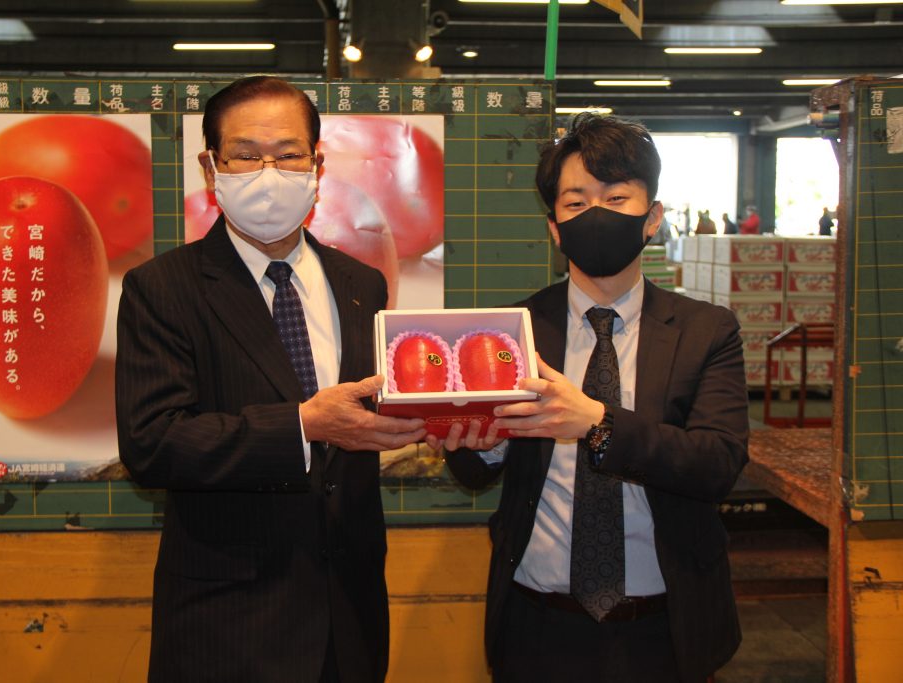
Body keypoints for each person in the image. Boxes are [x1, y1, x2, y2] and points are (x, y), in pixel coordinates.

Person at [115, 76, 426, 683]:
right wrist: (302, 425)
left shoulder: (361, 284)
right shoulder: (162, 288)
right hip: (227, 625)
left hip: (349, 619)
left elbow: (368, 417)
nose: (269, 173)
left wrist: (449, 420)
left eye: (288, 155)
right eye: (245, 155)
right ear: (211, 167)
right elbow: (152, 444)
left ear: (317, 166)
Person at [429, 113, 750, 683]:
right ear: (554, 228)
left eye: (617, 198)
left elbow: (718, 464)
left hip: (665, 626)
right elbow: (476, 471)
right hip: (536, 624)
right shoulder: (515, 329)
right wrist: (482, 444)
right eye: (576, 203)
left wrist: (598, 422)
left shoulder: (706, 331)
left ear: (653, 217)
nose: (596, 214)